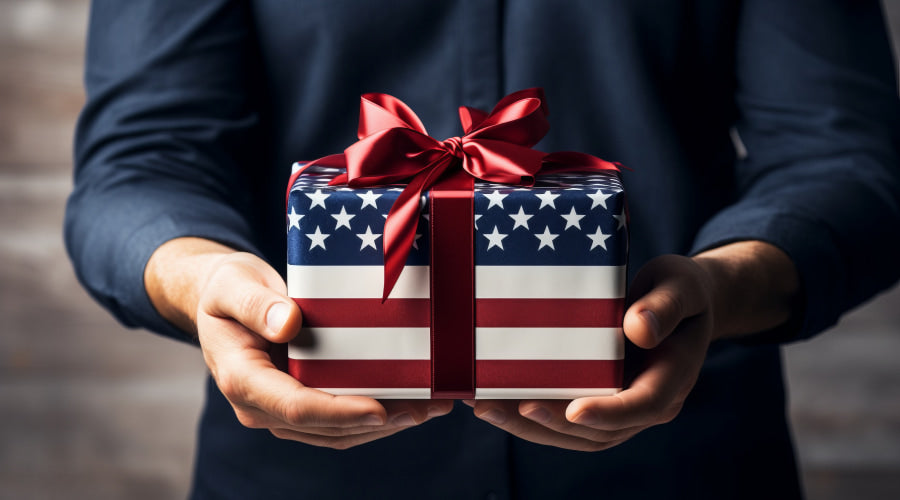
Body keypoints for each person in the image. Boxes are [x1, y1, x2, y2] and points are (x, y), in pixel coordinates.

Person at [65, 1, 900, 498]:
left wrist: (723, 287)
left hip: (687, 463)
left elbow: (845, 160)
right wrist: (205, 277)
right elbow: (140, 164)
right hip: (304, 478)